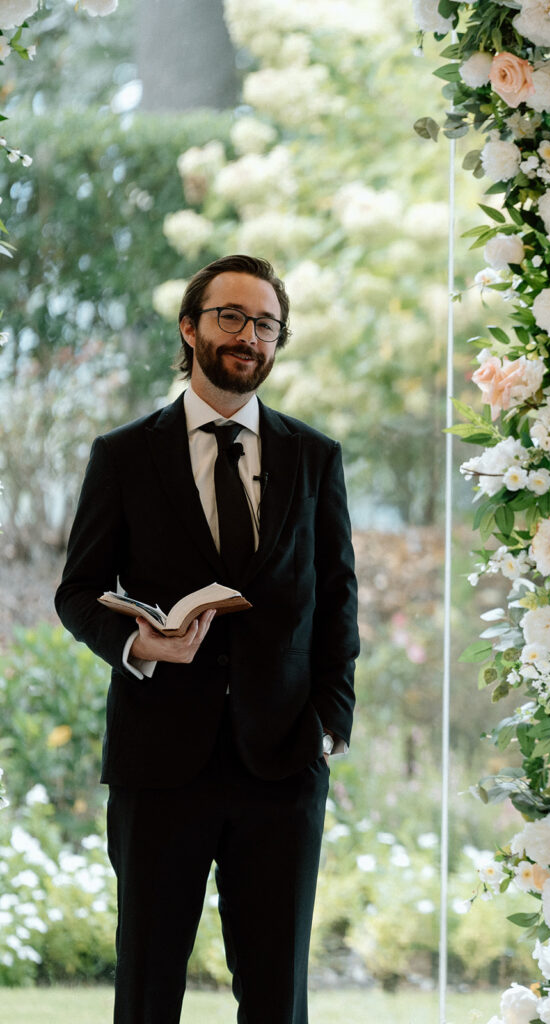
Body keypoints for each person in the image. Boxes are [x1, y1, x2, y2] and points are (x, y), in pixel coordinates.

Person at [55, 254, 359, 1024]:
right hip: (159, 764)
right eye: (230, 316)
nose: (247, 335)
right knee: (149, 988)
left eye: (265, 323)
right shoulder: (123, 455)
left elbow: (337, 601)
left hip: (284, 761)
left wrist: (330, 725)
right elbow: (77, 592)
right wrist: (139, 645)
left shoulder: (313, 457)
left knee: (275, 994)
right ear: (190, 327)